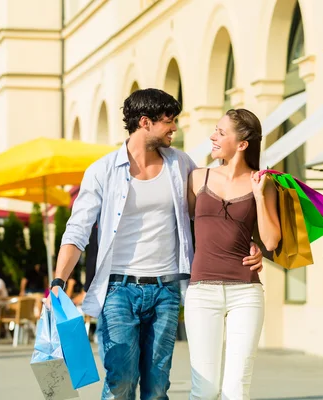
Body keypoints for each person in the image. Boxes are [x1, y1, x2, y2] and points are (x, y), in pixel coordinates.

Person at [49, 88, 263, 399]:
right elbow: (77, 231)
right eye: (169, 121)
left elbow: (214, 208)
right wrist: (58, 281)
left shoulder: (181, 165)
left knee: (157, 384)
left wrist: (252, 243)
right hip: (118, 289)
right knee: (121, 378)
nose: (175, 127)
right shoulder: (102, 171)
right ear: (145, 122)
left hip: (166, 290)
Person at [185, 109, 281, 399]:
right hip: (201, 291)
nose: (213, 137)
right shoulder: (197, 178)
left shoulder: (264, 183)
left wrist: (260, 196)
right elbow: (187, 228)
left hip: (246, 293)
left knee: (236, 387)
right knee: (205, 388)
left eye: (221, 132)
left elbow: (271, 240)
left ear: (242, 144)